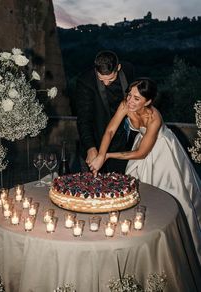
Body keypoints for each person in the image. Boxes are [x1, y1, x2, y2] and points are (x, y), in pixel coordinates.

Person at [89, 77, 201, 265]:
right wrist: (100, 154)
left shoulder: (154, 118)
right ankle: (135, 243)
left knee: (169, 199)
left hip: (162, 151)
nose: (130, 101)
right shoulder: (126, 104)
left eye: (137, 99)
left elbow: (141, 154)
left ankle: (173, 249)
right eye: (130, 95)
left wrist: (107, 156)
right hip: (141, 145)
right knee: (133, 195)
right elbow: (110, 131)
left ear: (148, 101)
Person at [76, 50, 135, 173]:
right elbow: (84, 119)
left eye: (111, 78)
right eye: (101, 79)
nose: (106, 83)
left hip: (124, 143)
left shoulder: (129, 71)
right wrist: (90, 147)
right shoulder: (85, 81)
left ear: (118, 67)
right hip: (98, 139)